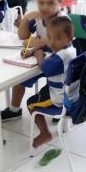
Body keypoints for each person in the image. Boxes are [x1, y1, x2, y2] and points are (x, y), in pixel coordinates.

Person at [1, 0, 67, 122]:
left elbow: (59, 43)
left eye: (50, 3)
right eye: (41, 3)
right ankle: (14, 110)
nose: (45, 8)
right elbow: (22, 36)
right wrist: (26, 19)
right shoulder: (39, 19)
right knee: (19, 79)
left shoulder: (62, 21)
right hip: (40, 59)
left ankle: (60, 106)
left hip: (58, 65)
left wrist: (38, 44)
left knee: (56, 84)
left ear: (60, 3)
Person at [26, 16, 77, 148]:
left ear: (69, 39)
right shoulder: (70, 50)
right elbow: (53, 54)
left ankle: (44, 133)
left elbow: (45, 68)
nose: (53, 42)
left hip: (59, 98)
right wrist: (37, 51)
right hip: (68, 92)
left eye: (58, 38)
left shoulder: (61, 56)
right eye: (50, 37)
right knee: (42, 92)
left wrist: (38, 56)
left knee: (30, 103)